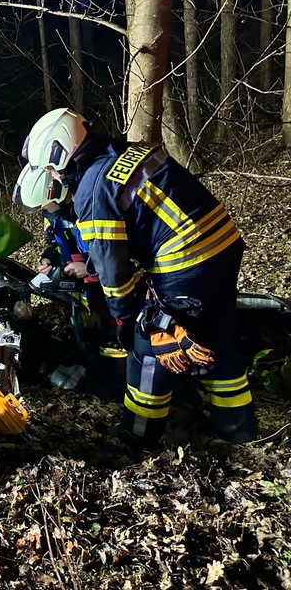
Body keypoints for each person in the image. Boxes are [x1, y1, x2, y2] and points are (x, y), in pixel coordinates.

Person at [16, 107, 256, 449]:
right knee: (218, 332)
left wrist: (128, 323)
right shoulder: (126, 151)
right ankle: (238, 431)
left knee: (148, 347)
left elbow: (114, 273)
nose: (52, 176)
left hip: (184, 259)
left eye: (51, 168)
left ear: (61, 151)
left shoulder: (92, 189)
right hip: (222, 244)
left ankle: (139, 436)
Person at [13, 166, 126, 397]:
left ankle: (117, 389)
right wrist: (48, 258)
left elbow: (115, 250)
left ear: (57, 193)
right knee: (84, 336)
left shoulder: (89, 209)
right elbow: (56, 242)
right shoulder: (52, 214)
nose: (43, 211)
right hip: (80, 288)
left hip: (107, 287)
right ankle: (92, 380)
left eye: (44, 205)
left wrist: (89, 267)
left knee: (113, 341)